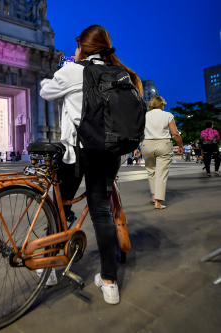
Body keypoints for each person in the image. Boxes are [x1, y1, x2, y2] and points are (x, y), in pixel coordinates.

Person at [39, 25, 143, 304]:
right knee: (101, 212)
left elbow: (46, 92)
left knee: (61, 208)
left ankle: (48, 270)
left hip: (76, 152)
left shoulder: (73, 70)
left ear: (83, 47)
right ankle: (109, 282)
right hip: (108, 153)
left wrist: (49, 79)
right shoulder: (122, 74)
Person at [141, 96, 183, 210]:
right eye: (163, 104)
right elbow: (175, 133)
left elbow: (138, 133)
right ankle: (158, 203)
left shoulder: (143, 115)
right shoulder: (168, 115)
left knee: (151, 171)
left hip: (146, 145)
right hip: (163, 145)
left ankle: (154, 196)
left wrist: (136, 148)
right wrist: (180, 146)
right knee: (161, 173)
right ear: (161, 105)